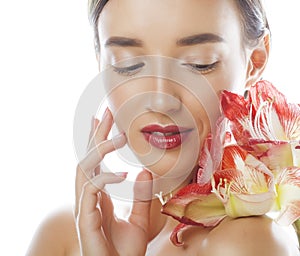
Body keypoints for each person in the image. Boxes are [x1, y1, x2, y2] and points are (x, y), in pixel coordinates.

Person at [26, 0, 299, 255]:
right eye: (128, 65)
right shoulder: (64, 236)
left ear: (255, 62)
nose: (160, 100)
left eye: (198, 63)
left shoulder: (248, 243)